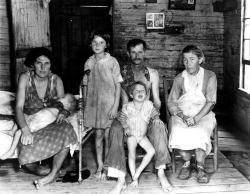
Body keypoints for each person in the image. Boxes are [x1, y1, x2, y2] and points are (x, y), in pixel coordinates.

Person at [104, 38, 172, 194]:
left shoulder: (152, 73)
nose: (137, 55)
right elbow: (123, 101)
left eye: (140, 52)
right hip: (127, 115)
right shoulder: (121, 72)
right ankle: (121, 178)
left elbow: (156, 100)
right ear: (128, 53)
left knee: (159, 127)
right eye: (133, 52)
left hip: (147, 114)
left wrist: (154, 117)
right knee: (115, 129)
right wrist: (128, 121)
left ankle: (161, 173)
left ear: (144, 53)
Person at [15, 47, 78, 189]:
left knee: (67, 129)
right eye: (39, 63)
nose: (43, 67)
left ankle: (51, 175)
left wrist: (64, 113)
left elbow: (66, 104)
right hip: (32, 122)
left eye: (47, 63)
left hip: (52, 120)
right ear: (32, 64)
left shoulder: (56, 80)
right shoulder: (25, 78)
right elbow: (18, 108)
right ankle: (45, 170)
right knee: (26, 162)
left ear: (51, 65)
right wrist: (25, 130)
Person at [167, 45, 217, 183]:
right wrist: (182, 116)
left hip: (203, 113)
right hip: (183, 113)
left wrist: (196, 118)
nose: (188, 63)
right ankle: (187, 163)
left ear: (200, 60)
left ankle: (200, 166)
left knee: (200, 130)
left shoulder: (210, 76)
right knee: (177, 129)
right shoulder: (179, 78)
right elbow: (171, 102)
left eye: (192, 59)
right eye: (185, 60)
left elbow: (211, 101)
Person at [82, 30, 123, 179]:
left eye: (101, 42)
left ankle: (106, 166)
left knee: (107, 135)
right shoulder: (89, 62)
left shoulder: (112, 62)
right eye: (94, 42)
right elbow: (85, 85)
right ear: (90, 44)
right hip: (94, 105)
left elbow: (118, 84)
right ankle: (99, 165)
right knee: (97, 135)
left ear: (107, 45)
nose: (97, 45)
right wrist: (86, 105)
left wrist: (115, 106)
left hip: (108, 104)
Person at [0, 93, 77, 160]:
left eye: (63, 97)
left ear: (68, 104)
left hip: (41, 121)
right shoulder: (58, 105)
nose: (60, 97)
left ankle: (11, 151)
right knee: (21, 115)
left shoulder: (61, 107)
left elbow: (64, 113)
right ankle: (12, 131)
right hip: (38, 116)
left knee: (19, 133)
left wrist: (64, 111)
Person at [121, 81, 165, 188]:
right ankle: (133, 177)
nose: (140, 92)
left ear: (146, 94)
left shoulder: (148, 104)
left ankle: (138, 172)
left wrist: (157, 118)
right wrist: (126, 127)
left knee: (151, 151)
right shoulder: (127, 106)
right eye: (137, 91)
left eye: (143, 91)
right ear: (131, 94)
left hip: (142, 136)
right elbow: (122, 118)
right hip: (131, 135)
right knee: (132, 154)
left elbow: (155, 113)